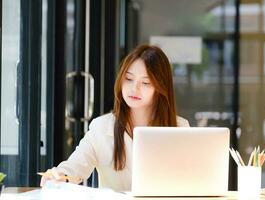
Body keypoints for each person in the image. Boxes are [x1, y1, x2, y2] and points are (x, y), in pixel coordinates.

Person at [40, 44, 189, 191]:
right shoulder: (101, 127)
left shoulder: (180, 128)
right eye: (129, 79)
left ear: (160, 89)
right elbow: (75, 166)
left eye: (145, 82)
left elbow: (191, 180)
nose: (134, 88)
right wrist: (60, 175)